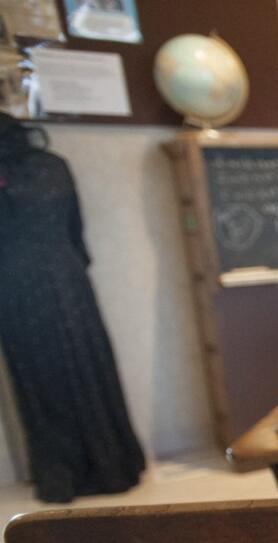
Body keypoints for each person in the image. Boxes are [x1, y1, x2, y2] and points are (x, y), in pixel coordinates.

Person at [0, 112, 145, 502]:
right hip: (67, 277)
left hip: (12, 285)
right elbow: (75, 234)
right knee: (89, 367)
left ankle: (61, 471)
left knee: (39, 381)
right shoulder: (53, 168)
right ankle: (114, 462)